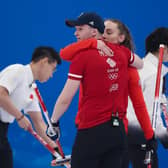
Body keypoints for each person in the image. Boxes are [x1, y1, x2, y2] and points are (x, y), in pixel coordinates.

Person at [48, 12, 146, 168]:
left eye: (80, 29)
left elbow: (66, 98)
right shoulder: (122, 52)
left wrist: (53, 122)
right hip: (118, 132)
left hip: (91, 130)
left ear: (93, 31)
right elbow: (140, 63)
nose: (76, 33)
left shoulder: (82, 57)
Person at [0, 46, 61, 168]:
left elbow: (39, 123)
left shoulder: (32, 89)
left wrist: (55, 149)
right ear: (44, 61)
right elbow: (1, 94)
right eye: (52, 69)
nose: (51, 75)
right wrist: (20, 116)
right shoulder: (17, 70)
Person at [127, 27, 168, 168]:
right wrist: (164, 137)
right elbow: (151, 114)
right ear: (164, 48)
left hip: (125, 135)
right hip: (140, 138)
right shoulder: (152, 74)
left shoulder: (142, 68)